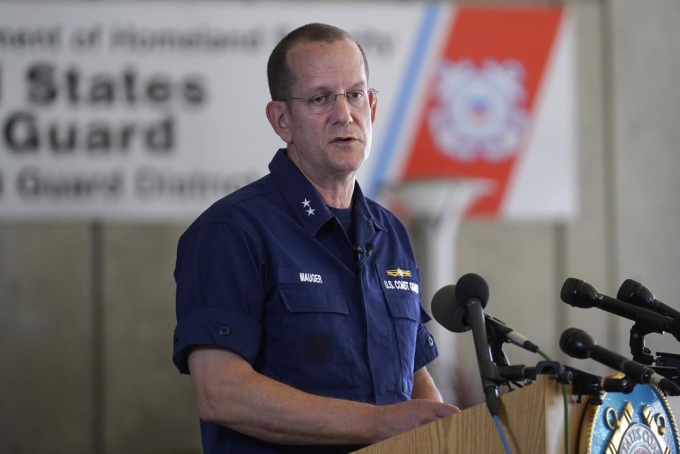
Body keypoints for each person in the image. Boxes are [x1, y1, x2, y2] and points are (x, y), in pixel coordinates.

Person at [172, 22, 459, 454]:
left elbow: (413, 374)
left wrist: (443, 432)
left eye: (356, 94)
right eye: (320, 98)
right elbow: (221, 392)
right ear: (282, 120)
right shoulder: (232, 232)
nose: (344, 114)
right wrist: (377, 424)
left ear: (373, 107)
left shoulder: (390, 232)